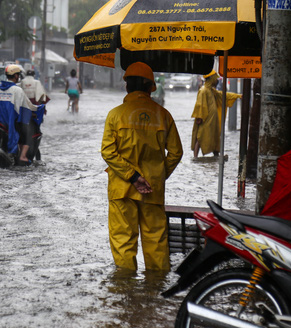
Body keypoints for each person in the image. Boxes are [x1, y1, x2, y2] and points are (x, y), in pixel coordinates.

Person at [101, 62, 183, 271]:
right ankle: (156, 291)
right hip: (153, 189)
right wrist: (157, 176)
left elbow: (108, 152)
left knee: (123, 241)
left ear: (127, 86)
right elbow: (176, 152)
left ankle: (127, 290)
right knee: (156, 241)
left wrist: (133, 177)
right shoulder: (163, 115)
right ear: (150, 88)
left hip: (122, 189)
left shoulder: (115, 114)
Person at [0, 64, 41, 165]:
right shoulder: (17, 90)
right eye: (18, 75)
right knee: (28, 133)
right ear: (16, 76)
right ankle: (22, 156)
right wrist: (38, 109)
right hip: (11, 122)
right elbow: (27, 106)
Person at [191, 70, 242, 158]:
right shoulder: (203, 90)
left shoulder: (212, 90)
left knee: (215, 136)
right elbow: (200, 104)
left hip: (213, 119)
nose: (217, 81)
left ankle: (216, 155)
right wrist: (199, 117)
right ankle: (195, 157)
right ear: (211, 79)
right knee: (201, 136)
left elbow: (223, 95)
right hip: (205, 119)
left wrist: (237, 96)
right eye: (215, 79)